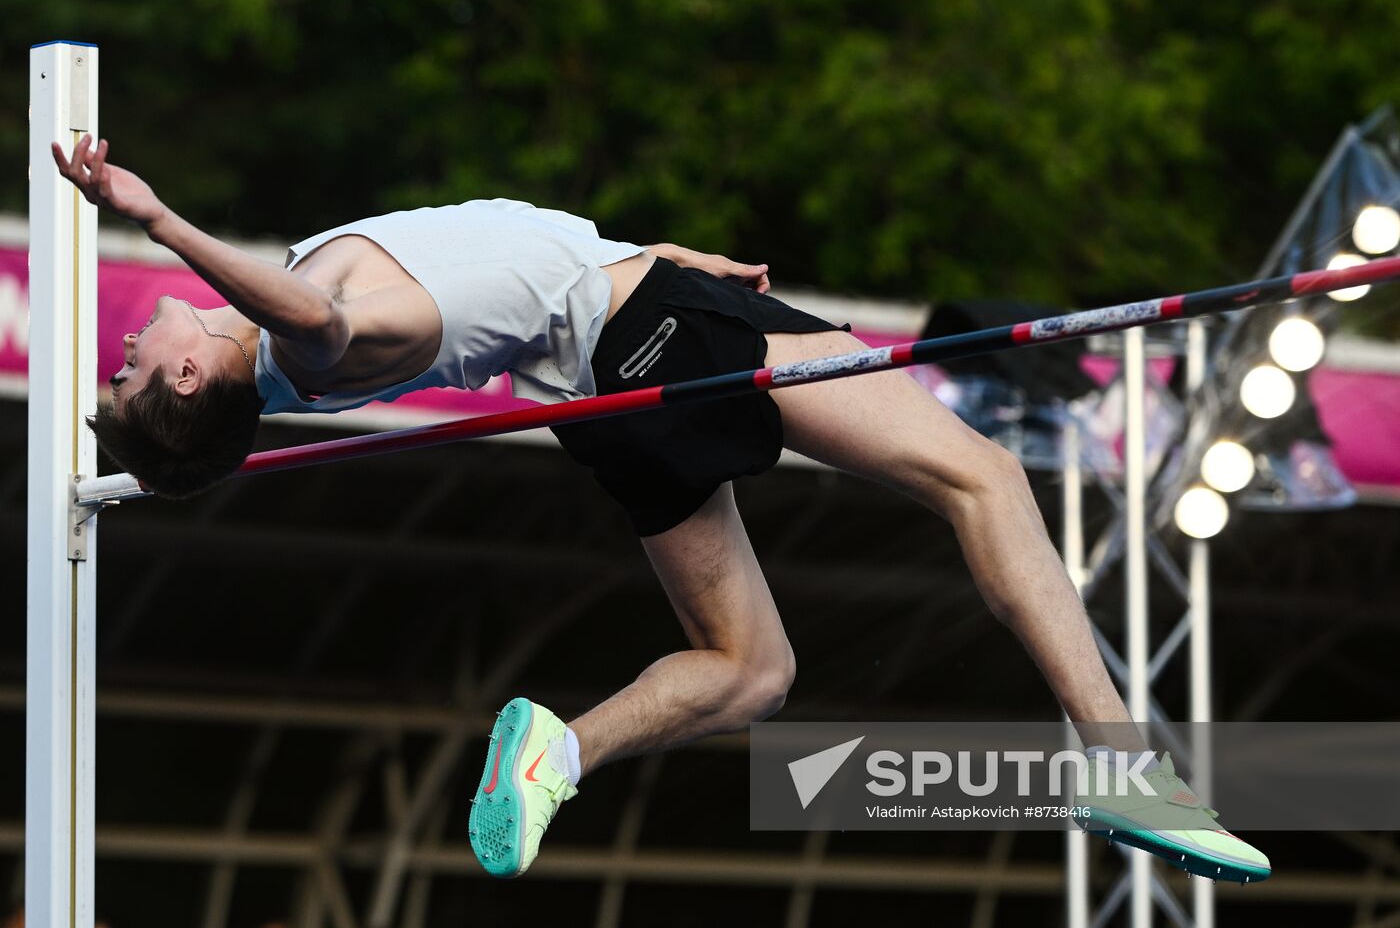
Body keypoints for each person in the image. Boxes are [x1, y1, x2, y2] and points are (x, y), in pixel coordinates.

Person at [52, 135, 1269, 884]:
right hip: (653, 335)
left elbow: (514, 264)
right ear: (187, 379)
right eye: (127, 372)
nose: (123, 344)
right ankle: (1117, 761)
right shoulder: (307, 339)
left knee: (749, 670)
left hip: (613, 368)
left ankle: (561, 750)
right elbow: (324, 317)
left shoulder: (277, 336)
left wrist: (646, 252)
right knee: (984, 476)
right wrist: (156, 219)